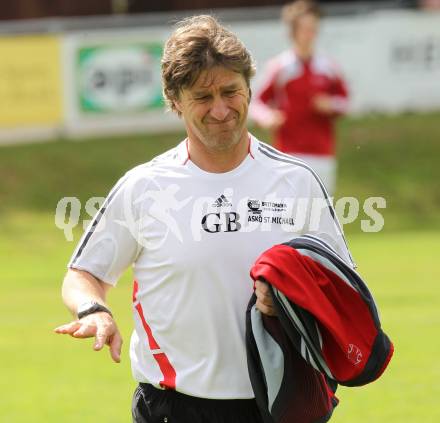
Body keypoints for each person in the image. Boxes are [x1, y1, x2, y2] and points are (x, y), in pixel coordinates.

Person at [55, 15, 355, 423]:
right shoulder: (145, 187)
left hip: (279, 405)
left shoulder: (295, 181)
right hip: (174, 407)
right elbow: (83, 274)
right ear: (174, 100)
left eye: (231, 91)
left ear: (249, 87)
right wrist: (94, 311)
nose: (220, 109)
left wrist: (290, 299)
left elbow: (341, 288)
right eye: (202, 96)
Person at [251, 0, 349, 195]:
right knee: (291, 216)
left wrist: (330, 105)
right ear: (292, 31)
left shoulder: (328, 67)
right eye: (305, 28)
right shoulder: (280, 67)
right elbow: (257, 103)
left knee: (320, 217)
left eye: (313, 28)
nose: (310, 34)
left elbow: (345, 102)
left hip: (322, 152)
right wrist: (268, 117)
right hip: (289, 152)